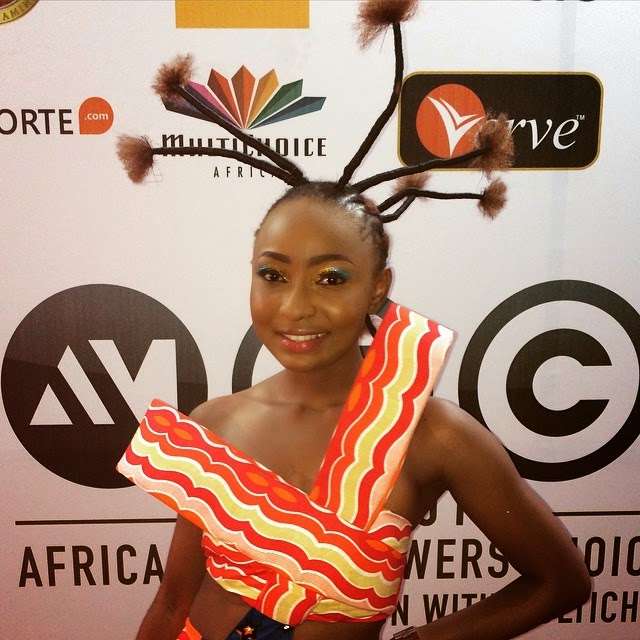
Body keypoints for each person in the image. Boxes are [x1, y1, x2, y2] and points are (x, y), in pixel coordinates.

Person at [115, 3, 593, 639]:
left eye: (332, 278)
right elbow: (171, 604)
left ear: (378, 289)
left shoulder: (432, 435)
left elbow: (560, 582)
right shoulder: (214, 424)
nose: (296, 306)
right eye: (273, 274)